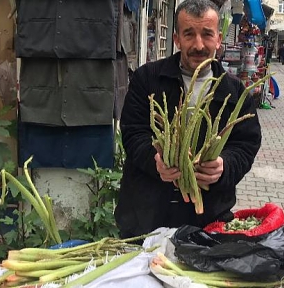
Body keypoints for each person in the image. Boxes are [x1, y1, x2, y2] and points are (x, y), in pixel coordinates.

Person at [115, 0, 262, 239]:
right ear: (176, 39)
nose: (198, 45)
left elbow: (246, 145)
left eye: (206, 34)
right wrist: (156, 161)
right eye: (189, 34)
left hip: (207, 218)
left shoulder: (235, 93)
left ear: (218, 38)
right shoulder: (147, 79)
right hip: (145, 216)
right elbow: (133, 132)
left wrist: (224, 166)